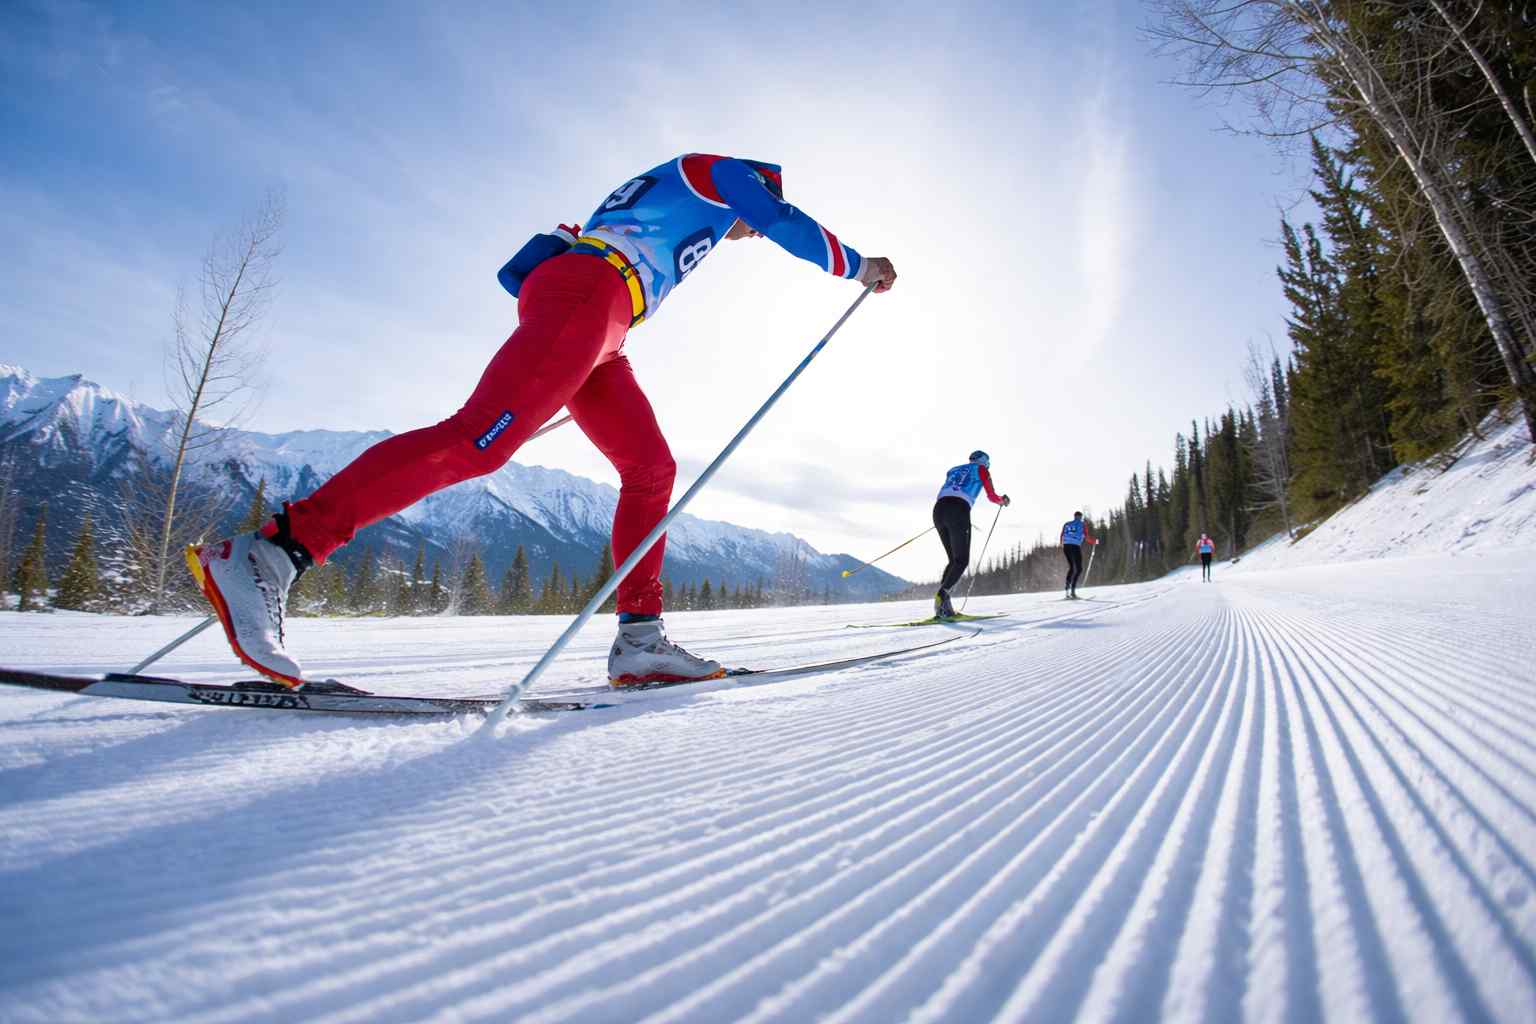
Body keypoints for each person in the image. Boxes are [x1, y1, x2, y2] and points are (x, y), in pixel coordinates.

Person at [187, 153, 898, 689]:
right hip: (592, 298)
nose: (742, 231)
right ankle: (273, 551)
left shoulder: (677, 202)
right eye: (748, 214)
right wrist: (859, 266)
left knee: (651, 468)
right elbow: (776, 220)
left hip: (602, 322)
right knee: (479, 440)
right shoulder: (720, 172)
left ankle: (641, 639)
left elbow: (536, 269)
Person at [931, 451, 1010, 619]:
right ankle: (943, 595)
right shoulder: (982, 469)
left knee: (953, 560)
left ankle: (943, 605)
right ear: (985, 462)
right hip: (958, 510)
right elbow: (991, 495)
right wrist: (1002, 501)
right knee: (962, 560)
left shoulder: (953, 469)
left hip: (939, 510)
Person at [1060, 511, 1098, 599]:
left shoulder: (1067, 524)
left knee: (1071, 568)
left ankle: (1067, 591)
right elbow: (1087, 538)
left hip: (1066, 546)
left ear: (1074, 516)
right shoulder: (1082, 525)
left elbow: (1061, 535)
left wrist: (1063, 544)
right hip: (1075, 546)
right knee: (1079, 569)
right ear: (1080, 517)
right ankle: (1073, 591)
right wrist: (1095, 541)